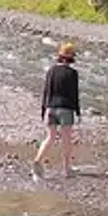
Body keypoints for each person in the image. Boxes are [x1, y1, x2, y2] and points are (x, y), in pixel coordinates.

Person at [31, 43, 80, 180]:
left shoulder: (51, 71)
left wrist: (43, 110)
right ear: (71, 58)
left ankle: (38, 160)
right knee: (66, 139)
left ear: (59, 56)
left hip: (50, 108)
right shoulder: (72, 73)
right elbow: (74, 94)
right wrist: (78, 112)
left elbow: (46, 91)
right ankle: (67, 169)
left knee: (50, 137)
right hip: (66, 109)